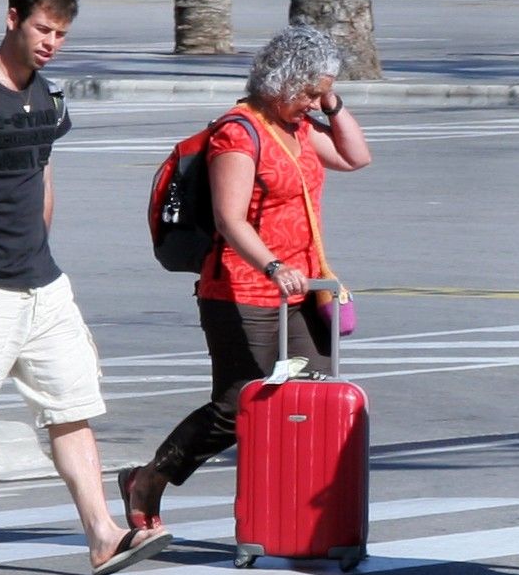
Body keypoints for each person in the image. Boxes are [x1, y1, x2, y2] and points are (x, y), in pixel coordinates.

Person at [0, 0, 166, 575]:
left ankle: (102, 534)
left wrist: (41, 245)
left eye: (61, 33)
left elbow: (42, 174)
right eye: (42, 28)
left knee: (69, 406)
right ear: (13, 18)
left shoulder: (49, 97)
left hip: (43, 283)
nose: (51, 41)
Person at [121, 26, 371, 528]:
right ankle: (150, 478)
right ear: (279, 83)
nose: (311, 103)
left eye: (318, 93)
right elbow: (230, 219)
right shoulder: (240, 132)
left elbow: (355, 157)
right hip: (243, 288)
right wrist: (274, 266)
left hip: (302, 291)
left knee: (313, 394)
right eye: (307, 92)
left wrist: (332, 102)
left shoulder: (299, 128)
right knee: (240, 404)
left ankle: (298, 516)